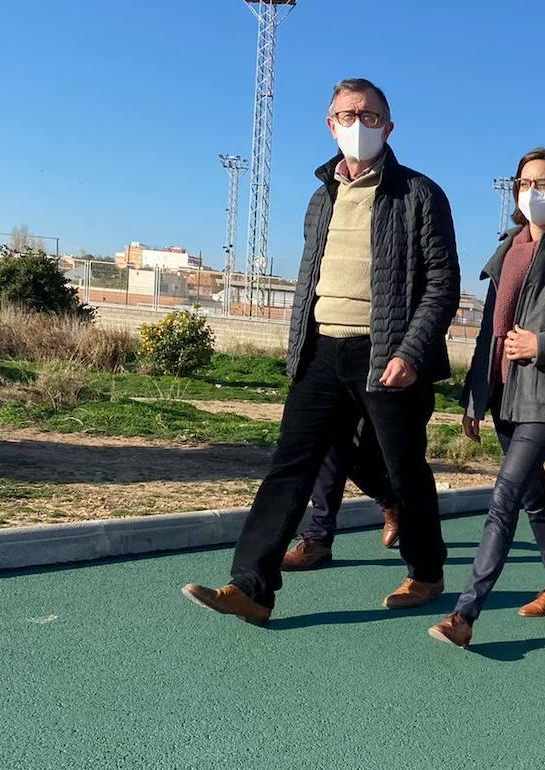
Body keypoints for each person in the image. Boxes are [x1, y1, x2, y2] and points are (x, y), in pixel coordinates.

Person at [182, 78, 460, 623]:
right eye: (346, 115)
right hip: (322, 354)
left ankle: (426, 572)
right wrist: (297, 350)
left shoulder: (420, 194)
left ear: (389, 125)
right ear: (330, 125)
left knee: (404, 471)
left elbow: (442, 284)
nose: (358, 125)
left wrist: (410, 351)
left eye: (370, 115)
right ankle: (251, 588)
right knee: (289, 467)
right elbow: (312, 276)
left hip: (389, 357)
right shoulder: (321, 195)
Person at [428, 148, 545, 648]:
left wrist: (543, 343)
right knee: (535, 497)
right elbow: (490, 332)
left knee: (505, 496)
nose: (532, 192)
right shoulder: (508, 249)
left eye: (544, 183)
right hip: (503, 394)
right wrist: (475, 397)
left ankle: (465, 613)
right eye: (524, 182)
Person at [280, 417, 402, 571]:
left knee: (362, 454)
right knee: (330, 443)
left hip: (387, 398)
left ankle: (393, 503)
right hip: (334, 397)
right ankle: (318, 539)